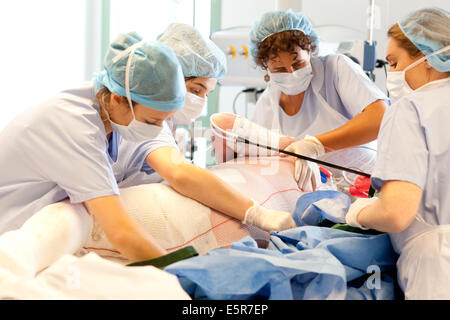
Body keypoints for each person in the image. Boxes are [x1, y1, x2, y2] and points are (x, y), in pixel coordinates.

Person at [0, 32, 188, 262]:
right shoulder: (75, 125)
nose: (158, 130)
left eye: (163, 121)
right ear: (119, 99)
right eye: (151, 121)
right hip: (12, 234)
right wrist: (182, 273)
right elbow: (120, 232)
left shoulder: (110, 113)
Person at [115, 23, 296, 233]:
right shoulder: (146, 119)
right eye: (195, 90)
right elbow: (179, 173)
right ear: (168, 78)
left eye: (206, 94)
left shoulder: (166, 120)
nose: (200, 101)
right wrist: (254, 212)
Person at [214, 10, 389, 192]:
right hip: (314, 199)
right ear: (265, 66)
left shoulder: (336, 69)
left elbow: (380, 117)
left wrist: (315, 145)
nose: (291, 73)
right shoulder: (267, 104)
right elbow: (258, 161)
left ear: (310, 49)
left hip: (367, 187)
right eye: (280, 69)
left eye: (298, 64)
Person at [344, 7, 450, 299]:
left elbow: (395, 213)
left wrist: (361, 212)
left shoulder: (410, 108)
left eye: (394, 62)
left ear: (428, 58)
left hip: (438, 271)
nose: (391, 73)